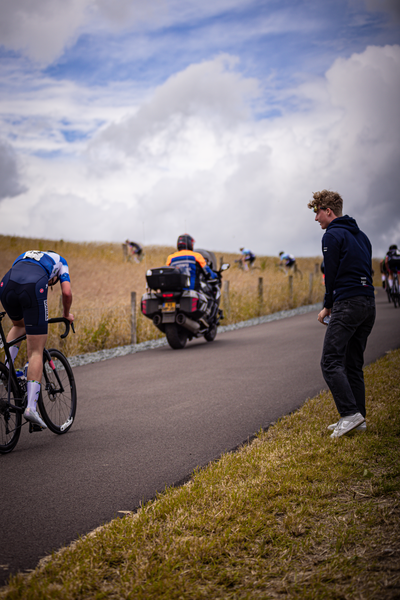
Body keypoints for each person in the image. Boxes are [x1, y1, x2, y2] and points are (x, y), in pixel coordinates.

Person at [307, 190, 375, 438]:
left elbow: (331, 275)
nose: (316, 218)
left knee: (330, 361)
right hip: (368, 303)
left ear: (328, 211)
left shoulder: (332, 235)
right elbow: (369, 271)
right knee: (353, 364)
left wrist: (328, 305)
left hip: (348, 304)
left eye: (317, 212)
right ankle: (359, 419)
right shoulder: (363, 236)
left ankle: (349, 414)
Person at [0, 250, 74, 428]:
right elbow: (67, 292)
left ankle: (6, 371)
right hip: (32, 288)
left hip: (6, 285)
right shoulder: (61, 261)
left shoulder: (26, 254)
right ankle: (31, 408)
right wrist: (66, 314)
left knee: (19, 325)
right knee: (35, 351)